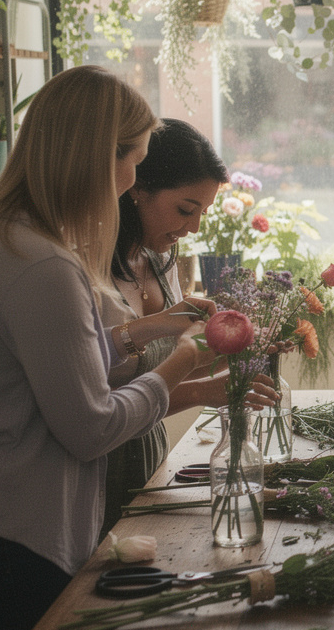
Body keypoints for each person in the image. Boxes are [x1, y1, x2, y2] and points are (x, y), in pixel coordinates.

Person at [0, 66, 219, 630]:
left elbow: (55, 362)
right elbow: (90, 427)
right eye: (132, 163)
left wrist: (148, 330)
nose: (129, 184)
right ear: (97, 157)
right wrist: (182, 359)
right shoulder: (44, 263)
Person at [99, 118, 278, 535]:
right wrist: (204, 390)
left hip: (150, 460)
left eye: (203, 212)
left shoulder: (162, 260)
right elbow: (98, 406)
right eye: (185, 209)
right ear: (137, 188)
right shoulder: (89, 270)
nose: (194, 227)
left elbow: (161, 369)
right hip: (100, 472)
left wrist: (230, 359)